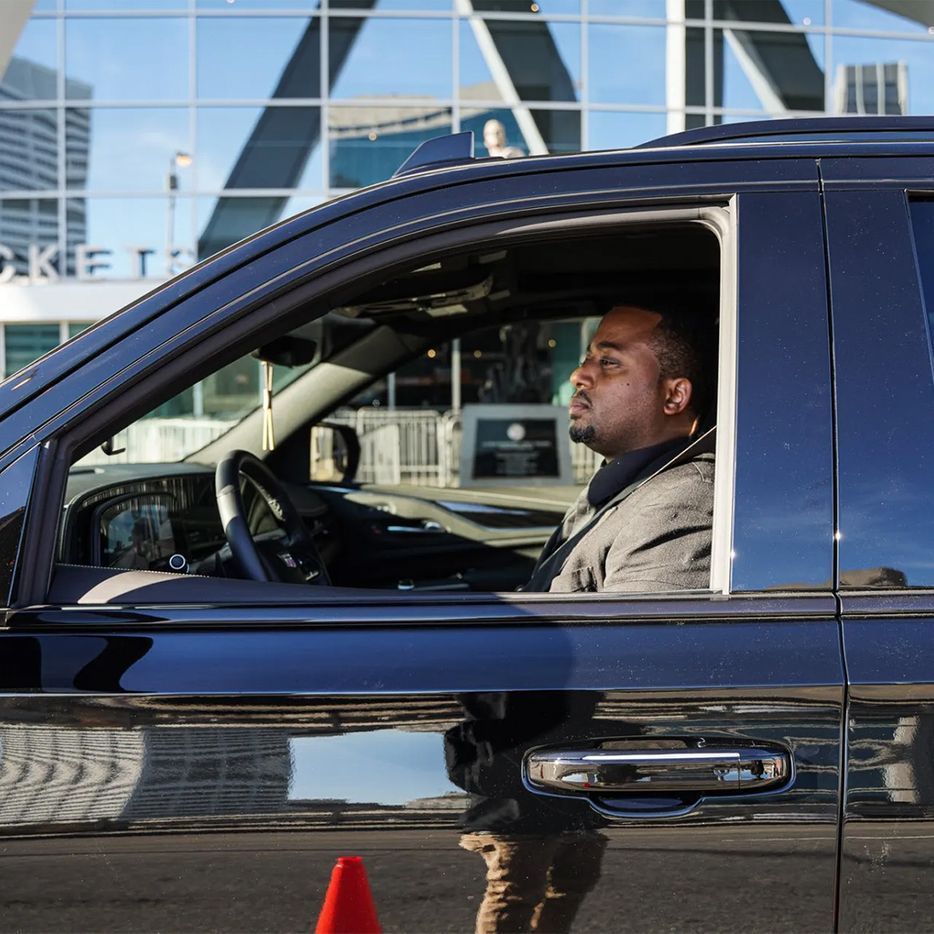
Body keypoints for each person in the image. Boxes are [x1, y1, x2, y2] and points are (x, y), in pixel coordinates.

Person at [525, 304, 716, 593]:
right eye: (587, 357)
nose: (578, 375)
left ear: (674, 396)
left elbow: (629, 637)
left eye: (609, 362)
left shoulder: (682, 506)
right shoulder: (624, 486)